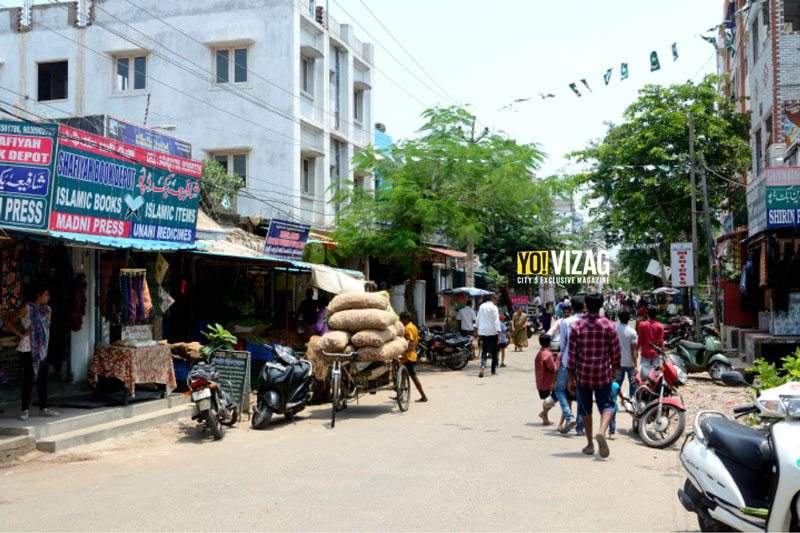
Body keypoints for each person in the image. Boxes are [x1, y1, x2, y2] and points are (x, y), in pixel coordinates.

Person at [568, 293, 621, 458]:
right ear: (601, 306)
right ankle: (602, 431)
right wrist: (615, 369)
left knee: (585, 409)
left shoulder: (577, 326)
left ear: (585, 305)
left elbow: (571, 354)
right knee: (608, 405)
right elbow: (615, 351)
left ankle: (590, 444)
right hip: (603, 373)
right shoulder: (609, 325)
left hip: (583, 374)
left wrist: (570, 377)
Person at [4, 285, 57, 421]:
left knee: (42, 379)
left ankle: (44, 408)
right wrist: (21, 334)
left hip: (42, 349)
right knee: (28, 379)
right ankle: (25, 410)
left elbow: (46, 330)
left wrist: (44, 347)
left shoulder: (48, 310)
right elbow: (8, 322)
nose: (48, 297)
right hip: (27, 347)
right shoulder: (27, 308)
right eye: (46, 294)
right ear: (38, 295)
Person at [555, 296, 585, 435]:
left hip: (568, 360)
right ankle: (580, 427)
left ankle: (569, 415)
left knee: (559, 389)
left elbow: (562, 344)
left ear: (572, 308)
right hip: (584, 362)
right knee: (582, 392)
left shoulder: (566, 322)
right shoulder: (587, 321)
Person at [399, 312, 428, 402]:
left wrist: (403, 350)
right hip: (411, 355)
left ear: (406, 319)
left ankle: (423, 396)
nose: (401, 321)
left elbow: (410, 342)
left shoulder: (408, 328)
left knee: (413, 377)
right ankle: (400, 394)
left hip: (409, 356)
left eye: (401, 319)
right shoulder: (413, 326)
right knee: (403, 375)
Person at [535, 333, 558, 425]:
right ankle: (544, 414)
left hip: (541, 381)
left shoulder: (540, 352)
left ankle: (545, 417)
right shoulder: (547, 354)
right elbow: (553, 368)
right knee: (554, 397)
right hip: (548, 381)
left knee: (548, 399)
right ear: (549, 342)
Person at [615, 310, 638, 398]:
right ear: (629, 319)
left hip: (617, 361)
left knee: (617, 383)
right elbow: (634, 349)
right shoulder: (632, 332)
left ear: (619, 318)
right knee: (633, 383)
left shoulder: (614, 329)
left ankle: (613, 399)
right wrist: (635, 364)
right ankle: (632, 399)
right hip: (629, 362)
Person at [476, 294, 501, 378]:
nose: (497, 301)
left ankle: (482, 366)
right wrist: (498, 331)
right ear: (493, 299)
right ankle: (493, 371)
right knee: (494, 351)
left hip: (483, 331)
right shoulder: (494, 307)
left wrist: (477, 329)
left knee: (484, 350)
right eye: (496, 300)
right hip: (493, 331)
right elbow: (496, 320)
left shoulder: (481, 306)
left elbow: (478, 319)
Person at [636, 306, 665, 380]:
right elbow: (661, 341)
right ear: (656, 315)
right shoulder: (660, 326)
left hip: (645, 354)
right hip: (656, 354)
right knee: (655, 376)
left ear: (648, 314)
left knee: (644, 377)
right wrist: (662, 351)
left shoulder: (642, 324)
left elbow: (640, 339)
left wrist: (636, 350)